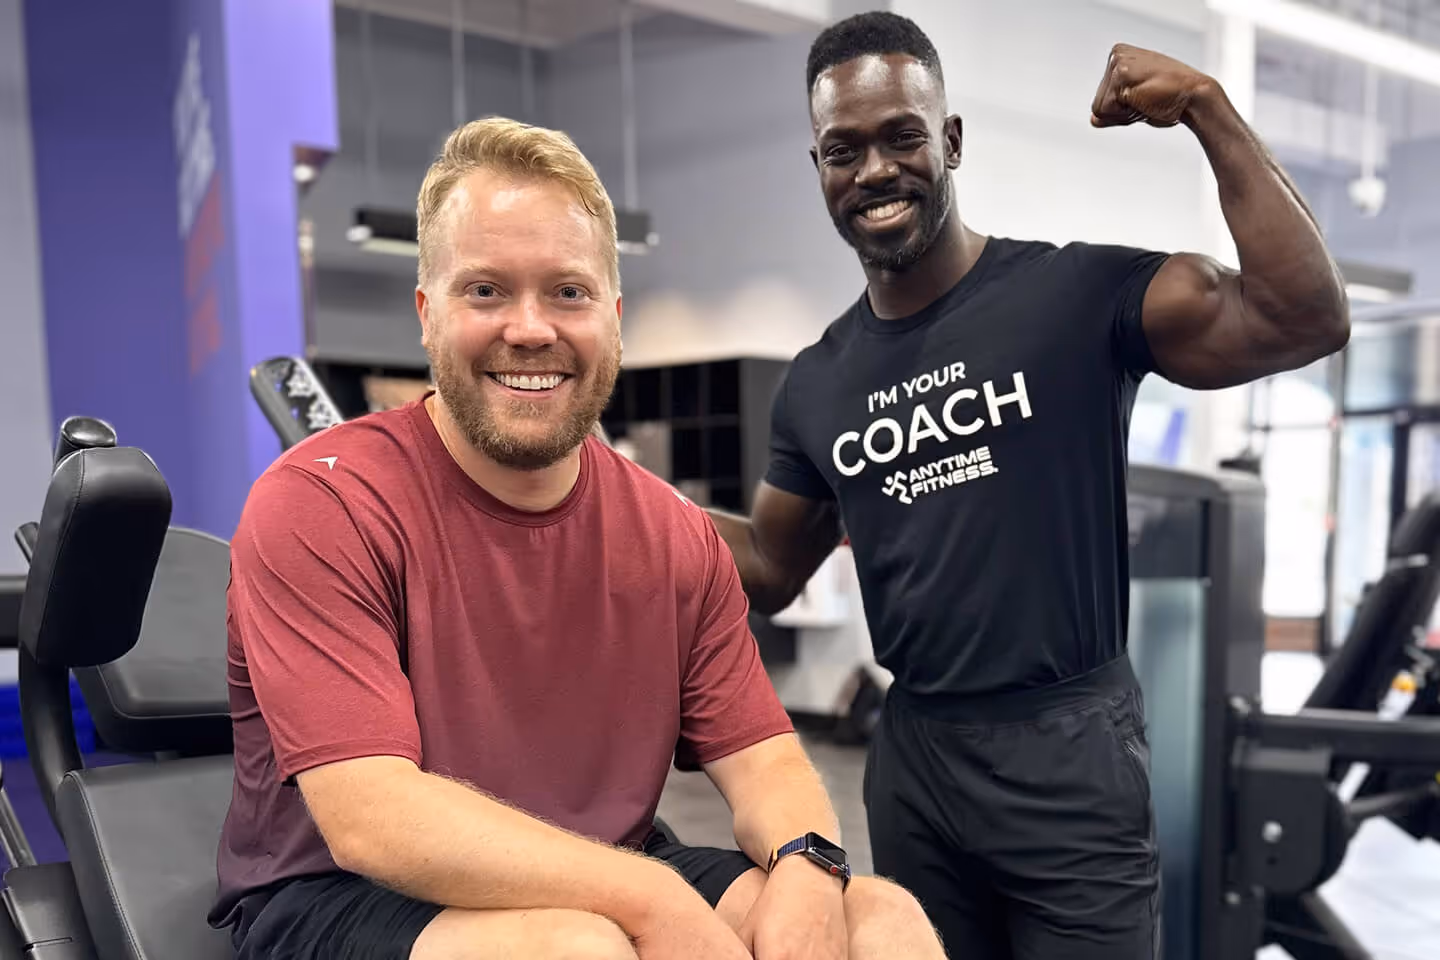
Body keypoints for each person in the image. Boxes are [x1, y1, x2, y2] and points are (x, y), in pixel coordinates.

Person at [207, 116, 948, 960]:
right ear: (427, 312)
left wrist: (811, 872)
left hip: (604, 866)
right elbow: (373, 820)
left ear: (614, 316)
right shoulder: (320, 503)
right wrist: (651, 897)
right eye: (485, 290)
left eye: (568, 291)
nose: (531, 328)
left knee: (878, 920)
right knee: (580, 949)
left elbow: (768, 762)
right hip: (341, 897)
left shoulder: (667, 532)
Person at [706, 11, 1350, 960]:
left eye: (902, 136)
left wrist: (1211, 112)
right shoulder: (819, 379)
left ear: (952, 140)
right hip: (917, 752)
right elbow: (766, 564)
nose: (874, 170)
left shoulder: (1075, 298)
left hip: (1070, 749)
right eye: (844, 150)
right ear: (819, 170)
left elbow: (1303, 317)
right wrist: (597, 486)